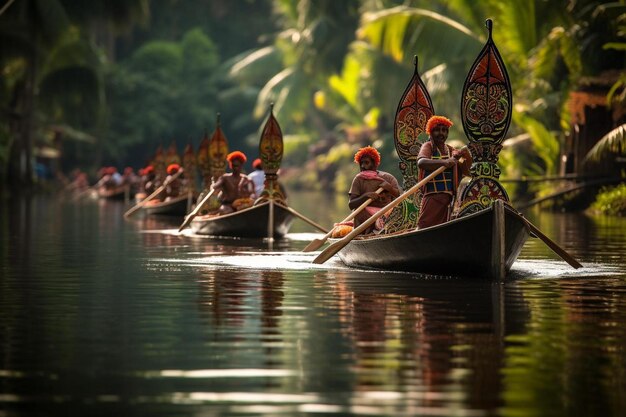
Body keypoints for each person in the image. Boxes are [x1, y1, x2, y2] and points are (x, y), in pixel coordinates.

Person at [416, 115, 471, 229]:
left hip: (449, 199)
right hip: (432, 197)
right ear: (430, 132)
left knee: (444, 226)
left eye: (444, 130)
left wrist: (466, 155)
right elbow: (421, 162)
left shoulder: (451, 150)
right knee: (424, 226)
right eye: (437, 130)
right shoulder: (428, 146)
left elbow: (467, 171)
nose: (441, 133)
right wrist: (444, 162)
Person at [348, 146, 401, 235]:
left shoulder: (388, 178)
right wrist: (365, 196)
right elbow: (351, 205)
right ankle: (362, 234)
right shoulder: (358, 179)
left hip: (386, 217)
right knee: (359, 212)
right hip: (366, 220)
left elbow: (399, 197)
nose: (363, 166)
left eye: (366, 163)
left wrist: (390, 188)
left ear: (375, 164)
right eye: (361, 163)